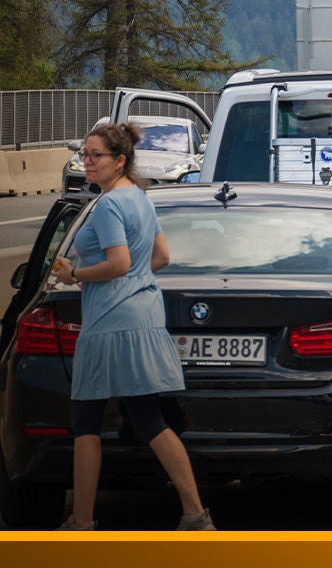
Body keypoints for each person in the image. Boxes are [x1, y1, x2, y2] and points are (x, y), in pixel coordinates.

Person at [51, 121, 215, 531]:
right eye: (84, 154)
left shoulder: (107, 205)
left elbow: (119, 263)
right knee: (148, 420)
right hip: (143, 316)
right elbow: (159, 257)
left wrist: (76, 274)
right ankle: (195, 515)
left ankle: (82, 523)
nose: (86, 162)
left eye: (96, 156)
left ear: (119, 160)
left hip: (110, 321)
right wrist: (128, 275)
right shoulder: (140, 198)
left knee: (86, 422)